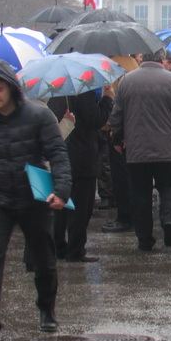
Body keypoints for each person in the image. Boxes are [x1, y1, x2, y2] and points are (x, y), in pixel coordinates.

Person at [0, 60, 72, 341]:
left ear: (11, 88)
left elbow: (57, 153)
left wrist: (61, 190)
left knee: (44, 259)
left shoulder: (38, 116)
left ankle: (46, 309)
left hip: (34, 199)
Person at [108, 48, 171, 252]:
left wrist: (118, 137)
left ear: (142, 59)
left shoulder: (126, 81)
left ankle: (144, 238)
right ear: (162, 59)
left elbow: (117, 115)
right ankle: (169, 221)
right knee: (170, 188)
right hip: (168, 149)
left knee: (140, 194)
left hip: (137, 150)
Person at [48, 86, 113, 262]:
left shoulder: (53, 89)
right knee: (81, 207)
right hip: (82, 154)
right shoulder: (83, 90)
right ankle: (75, 250)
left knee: (60, 204)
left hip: (60, 154)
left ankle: (58, 247)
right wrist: (107, 99)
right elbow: (95, 119)